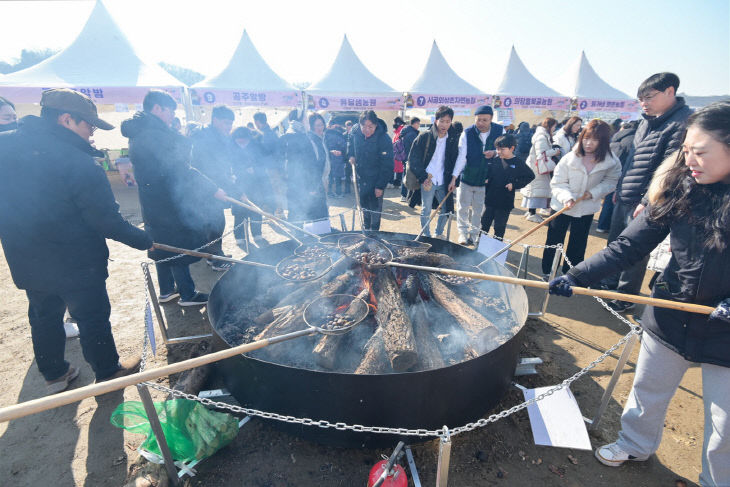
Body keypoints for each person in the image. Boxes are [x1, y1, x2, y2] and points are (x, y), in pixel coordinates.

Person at [548, 101, 730, 487]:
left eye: (700, 152)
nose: (689, 160)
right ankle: (635, 443)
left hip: (725, 330)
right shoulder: (682, 187)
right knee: (648, 388)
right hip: (671, 310)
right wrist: (578, 274)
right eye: (686, 151)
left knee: (725, 422)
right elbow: (627, 247)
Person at [0, 88, 153, 392]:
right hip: (76, 262)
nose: (92, 132)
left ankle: (55, 374)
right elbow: (106, 221)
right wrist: (144, 239)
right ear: (67, 119)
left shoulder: (5, 146)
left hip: (26, 256)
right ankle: (108, 372)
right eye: (89, 125)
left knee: (44, 314)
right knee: (92, 316)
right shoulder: (78, 163)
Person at [122, 90, 227, 307]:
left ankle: (167, 290)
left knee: (160, 242)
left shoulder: (141, 131)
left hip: (154, 198)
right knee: (175, 242)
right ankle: (187, 294)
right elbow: (180, 169)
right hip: (167, 198)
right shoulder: (154, 134)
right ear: (157, 108)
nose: (172, 115)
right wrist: (212, 188)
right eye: (170, 110)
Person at [602, 72, 692, 312]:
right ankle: (609, 284)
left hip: (647, 199)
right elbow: (632, 161)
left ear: (670, 92)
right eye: (640, 99)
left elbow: (670, 167)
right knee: (615, 243)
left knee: (634, 249)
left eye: (649, 97)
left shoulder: (682, 123)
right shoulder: (645, 121)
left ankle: (625, 296)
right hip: (625, 195)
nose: (644, 103)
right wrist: (620, 188)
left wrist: (647, 200)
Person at [541, 120, 621, 279]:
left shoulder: (611, 161)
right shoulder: (569, 158)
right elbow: (557, 182)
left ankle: (571, 274)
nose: (589, 143)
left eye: (595, 139)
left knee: (578, 242)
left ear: (603, 141)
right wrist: (567, 197)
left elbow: (611, 181)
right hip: (562, 205)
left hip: (586, 207)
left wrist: (594, 192)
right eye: (586, 138)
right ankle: (548, 271)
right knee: (554, 239)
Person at [189, 105, 236, 270]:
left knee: (216, 223)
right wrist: (214, 188)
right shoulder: (204, 138)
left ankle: (215, 253)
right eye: (226, 122)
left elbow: (221, 166)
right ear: (215, 120)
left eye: (231, 123)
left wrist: (231, 184)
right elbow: (203, 168)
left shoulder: (218, 137)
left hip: (215, 187)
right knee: (214, 223)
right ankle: (215, 259)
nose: (228, 127)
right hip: (204, 190)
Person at [452, 105, 504, 245]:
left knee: (479, 210)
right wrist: (454, 177)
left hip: (485, 179)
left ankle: (474, 234)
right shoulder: (467, 133)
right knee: (462, 208)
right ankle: (462, 234)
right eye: (478, 120)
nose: (481, 123)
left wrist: (494, 153)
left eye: (484, 120)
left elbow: (505, 151)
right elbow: (461, 157)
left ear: (491, 119)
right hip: (467, 177)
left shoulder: (499, 131)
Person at [408, 105, 460, 239]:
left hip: (444, 179)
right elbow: (413, 158)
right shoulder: (425, 136)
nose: (444, 125)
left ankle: (438, 233)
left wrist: (455, 180)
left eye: (448, 122)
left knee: (446, 209)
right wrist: (422, 176)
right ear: (436, 120)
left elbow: (456, 160)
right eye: (441, 121)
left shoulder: (453, 138)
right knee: (426, 209)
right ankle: (426, 235)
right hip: (428, 179)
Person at [480, 134, 535, 241]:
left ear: (512, 148)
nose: (499, 151)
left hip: (505, 203)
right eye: (497, 149)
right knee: (484, 225)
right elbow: (488, 174)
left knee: (499, 228)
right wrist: (486, 179)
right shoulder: (495, 160)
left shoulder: (518, 162)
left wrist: (514, 185)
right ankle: (479, 248)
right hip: (490, 200)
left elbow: (530, 176)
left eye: (502, 149)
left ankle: (495, 251)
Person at [348, 110, 393, 231]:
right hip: (361, 178)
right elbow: (350, 144)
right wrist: (351, 155)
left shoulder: (384, 139)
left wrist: (380, 186)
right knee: (364, 207)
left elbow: (387, 165)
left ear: (376, 125)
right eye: (364, 126)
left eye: (370, 127)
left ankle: (374, 235)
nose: (367, 130)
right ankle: (365, 231)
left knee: (375, 210)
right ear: (359, 124)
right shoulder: (355, 131)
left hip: (376, 179)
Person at [281, 111, 329, 223]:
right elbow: (306, 165)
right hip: (304, 186)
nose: (308, 123)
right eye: (306, 120)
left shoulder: (294, 135)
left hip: (304, 184)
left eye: (321, 124)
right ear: (301, 121)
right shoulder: (299, 137)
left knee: (304, 216)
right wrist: (312, 187)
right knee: (309, 216)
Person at [230, 127, 272, 247]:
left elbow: (264, 164)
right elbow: (229, 167)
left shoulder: (257, 146)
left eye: (244, 139)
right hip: (239, 185)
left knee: (256, 210)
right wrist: (242, 172)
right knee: (239, 212)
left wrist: (255, 170)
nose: (241, 142)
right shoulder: (231, 148)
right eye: (239, 140)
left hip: (255, 184)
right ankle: (240, 237)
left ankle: (257, 234)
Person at [596, 120, 640, 233]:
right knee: (614, 201)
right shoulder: (633, 140)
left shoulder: (617, 137)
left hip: (609, 171)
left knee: (608, 200)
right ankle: (608, 225)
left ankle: (602, 225)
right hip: (622, 173)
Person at [520, 117, 561, 223]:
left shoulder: (541, 135)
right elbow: (541, 153)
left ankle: (531, 212)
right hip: (537, 167)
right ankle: (532, 213)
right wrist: (554, 151)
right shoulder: (542, 136)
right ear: (550, 126)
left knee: (534, 189)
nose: (554, 129)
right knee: (535, 190)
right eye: (554, 126)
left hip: (536, 166)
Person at [253, 112, 284, 216]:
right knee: (275, 190)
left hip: (269, 168)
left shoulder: (265, 134)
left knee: (273, 190)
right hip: (273, 167)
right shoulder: (272, 132)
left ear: (257, 122)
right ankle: (276, 211)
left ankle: (276, 212)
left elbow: (264, 151)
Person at [399, 117, 421, 202]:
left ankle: (404, 195)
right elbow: (415, 148)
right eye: (418, 124)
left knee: (406, 175)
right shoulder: (412, 134)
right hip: (410, 158)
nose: (418, 126)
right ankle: (405, 195)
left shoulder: (405, 132)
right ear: (413, 124)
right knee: (409, 177)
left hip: (404, 157)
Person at [324, 121, 347, 198]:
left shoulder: (325, 135)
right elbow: (344, 148)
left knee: (329, 176)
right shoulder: (341, 136)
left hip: (328, 158)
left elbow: (324, 147)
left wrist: (330, 151)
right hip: (338, 159)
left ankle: (329, 192)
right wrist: (342, 153)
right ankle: (338, 193)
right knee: (338, 177)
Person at [391, 116, 406, 188]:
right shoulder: (397, 131)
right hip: (395, 154)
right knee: (396, 168)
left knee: (399, 169)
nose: (393, 124)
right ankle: (396, 183)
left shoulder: (400, 131)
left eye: (394, 122)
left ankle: (398, 183)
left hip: (399, 154)